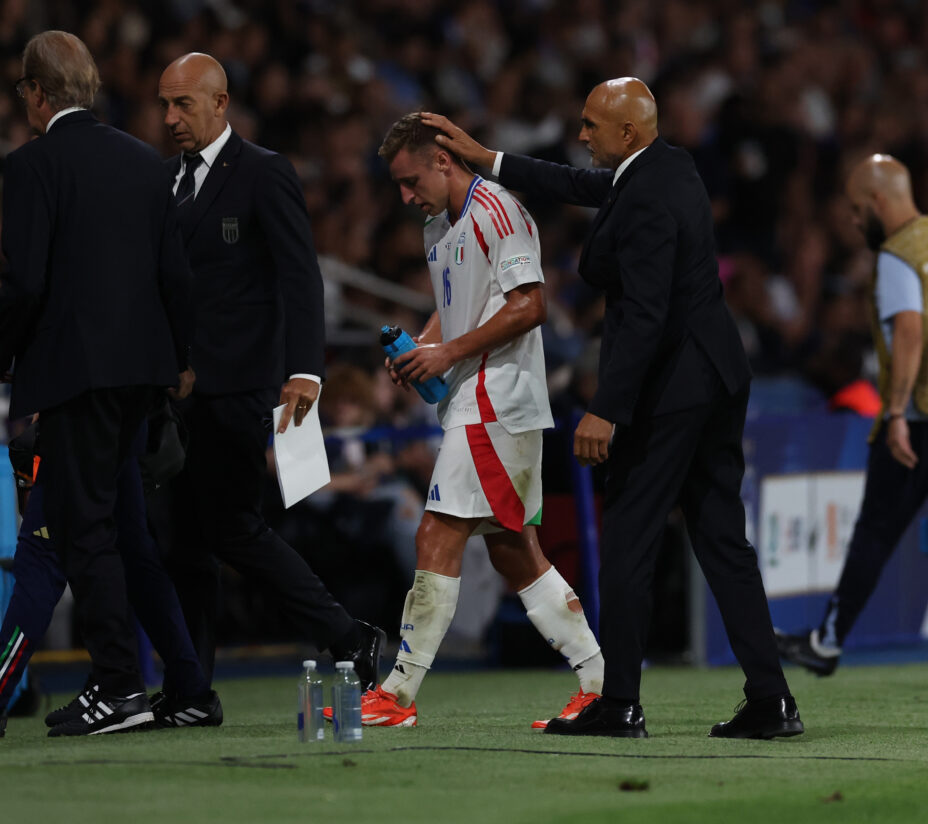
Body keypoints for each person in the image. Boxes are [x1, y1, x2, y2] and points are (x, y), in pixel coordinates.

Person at [423, 78, 803, 740]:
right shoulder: (665, 166)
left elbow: (647, 313)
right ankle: (771, 700)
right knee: (721, 539)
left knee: (629, 539)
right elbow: (579, 185)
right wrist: (490, 159)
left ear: (627, 133)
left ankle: (620, 703)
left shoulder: (647, 194)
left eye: (592, 125)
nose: (582, 134)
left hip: (672, 389)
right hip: (715, 375)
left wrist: (608, 408)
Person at [363, 113, 604, 729]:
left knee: (436, 533)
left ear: (444, 161)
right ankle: (599, 682)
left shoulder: (499, 210)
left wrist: (447, 352)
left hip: (499, 398)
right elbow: (457, 308)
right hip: (475, 398)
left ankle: (397, 693)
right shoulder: (438, 226)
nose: (405, 196)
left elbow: (531, 305)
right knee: (514, 553)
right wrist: (423, 347)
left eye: (411, 180)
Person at [154, 53, 383, 686]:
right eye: (165, 105)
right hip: (174, 395)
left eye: (184, 104)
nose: (171, 118)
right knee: (184, 542)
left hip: (237, 388)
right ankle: (190, 684)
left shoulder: (262, 173)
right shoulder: (162, 181)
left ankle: (346, 634)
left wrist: (306, 370)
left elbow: (299, 276)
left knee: (232, 530)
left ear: (221, 103)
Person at [0, 31, 192, 735]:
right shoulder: (147, 164)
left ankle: (118, 685)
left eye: (24, 90)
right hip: (141, 376)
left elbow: (24, 283)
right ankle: (163, 681)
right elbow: (176, 276)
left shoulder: (32, 167)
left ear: (39, 93)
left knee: (85, 532)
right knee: (112, 527)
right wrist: (177, 363)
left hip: (75, 374)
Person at [774, 155, 928, 685]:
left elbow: (909, 331)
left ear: (880, 202)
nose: (857, 223)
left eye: (859, 211)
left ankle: (826, 642)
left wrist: (898, 412)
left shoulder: (899, 256)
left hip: (922, 416)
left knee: (878, 532)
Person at [0, 426, 221, 734]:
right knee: (134, 552)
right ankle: (187, 690)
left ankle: (120, 689)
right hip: (125, 412)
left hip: (82, 412)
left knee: (41, 558)